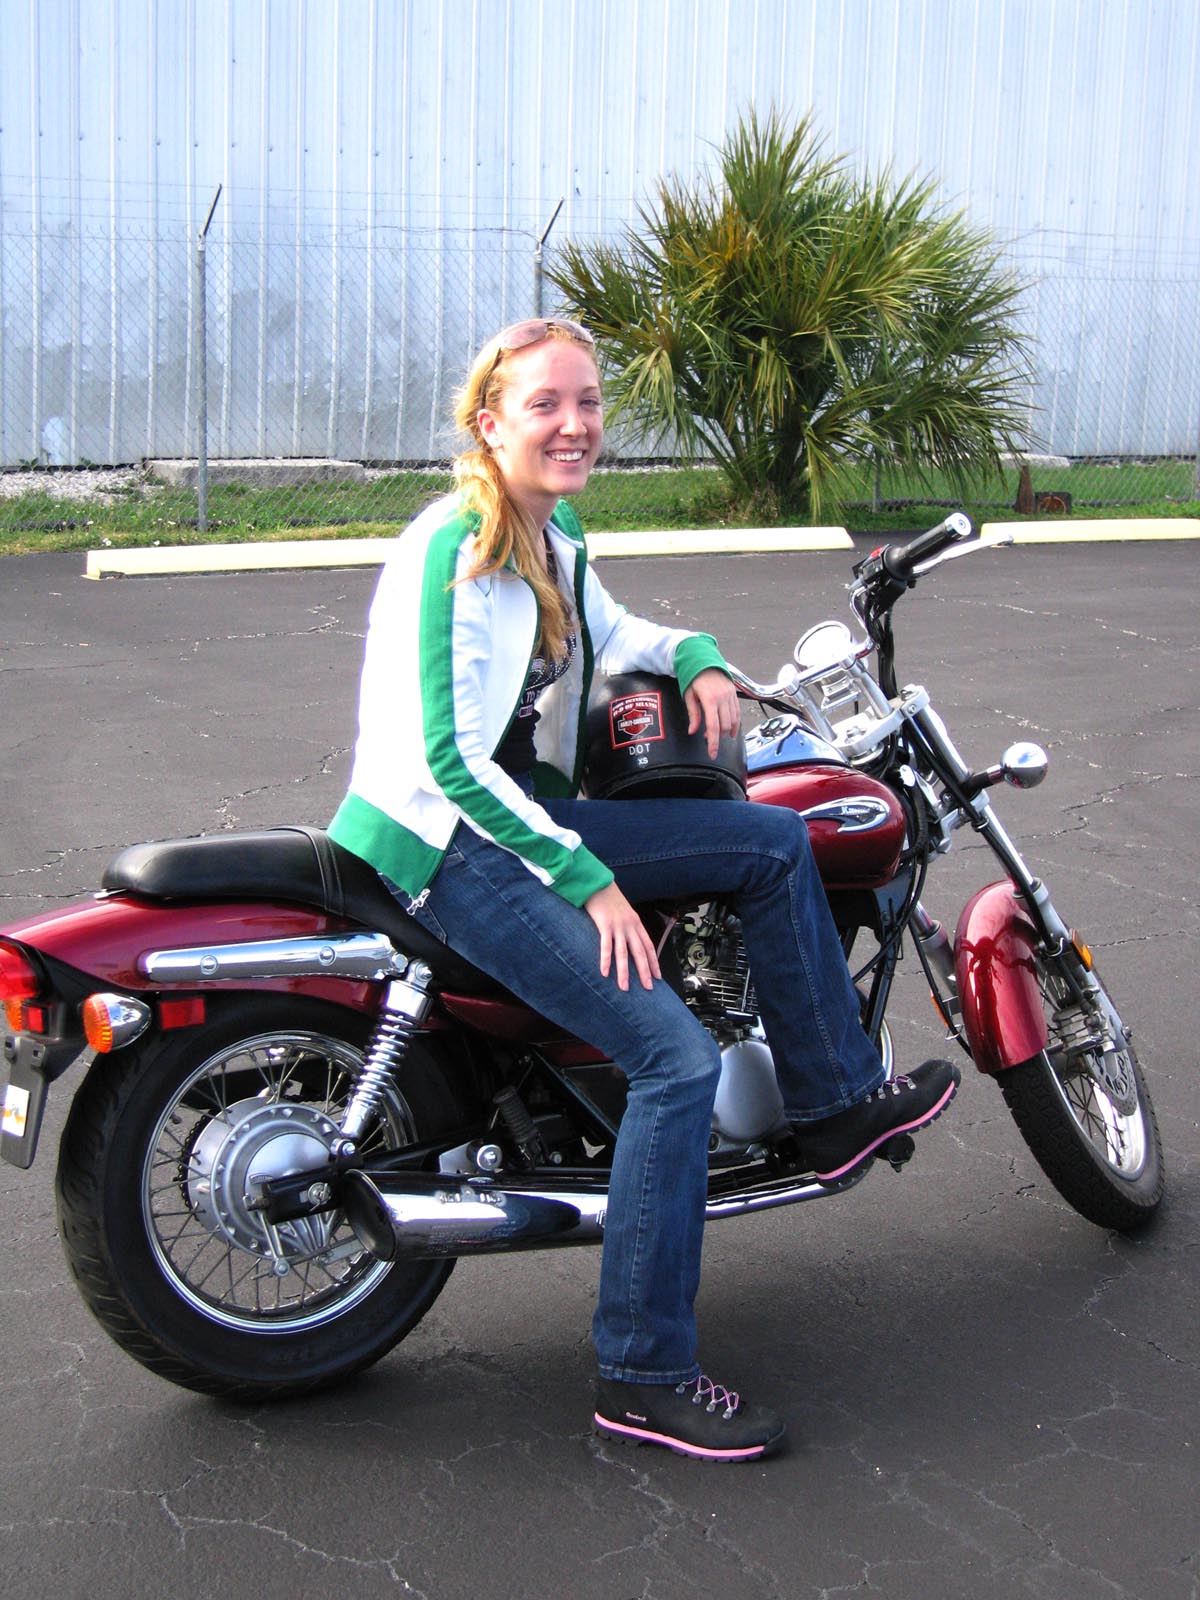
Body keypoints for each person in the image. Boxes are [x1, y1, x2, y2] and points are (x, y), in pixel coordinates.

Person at [329, 317, 958, 1463]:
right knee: (673, 1059)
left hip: (523, 820)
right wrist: (592, 883)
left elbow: (613, 634)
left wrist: (699, 653)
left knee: (769, 841)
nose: (574, 424)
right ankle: (644, 1369)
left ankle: (830, 1106)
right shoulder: (458, 547)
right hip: (449, 846)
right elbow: (450, 760)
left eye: (588, 401)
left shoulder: (552, 532)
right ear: (491, 423)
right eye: (545, 404)